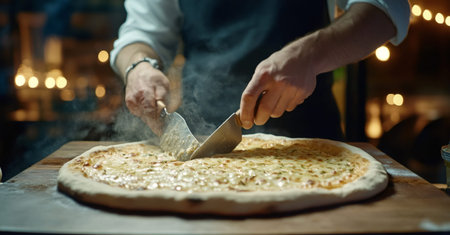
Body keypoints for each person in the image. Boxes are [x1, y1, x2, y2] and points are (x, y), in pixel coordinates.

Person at [110, 0, 410, 140]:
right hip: (199, 146)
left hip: (311, 148)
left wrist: (309, 55)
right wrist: (137, 67)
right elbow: (140, 35)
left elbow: (384, 10)